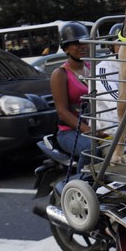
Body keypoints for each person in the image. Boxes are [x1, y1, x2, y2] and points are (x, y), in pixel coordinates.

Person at [51, 21, 101, 173]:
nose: (83, 46)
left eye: (84, 42)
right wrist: (89, 131)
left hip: (97, 124)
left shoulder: (92, 68)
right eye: (76, 43)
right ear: (66, 48)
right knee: (90, 148)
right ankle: (81, 185)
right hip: (70, 131)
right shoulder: (60, 74)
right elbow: (62, 112)